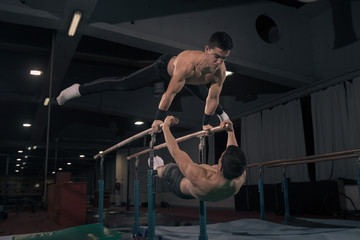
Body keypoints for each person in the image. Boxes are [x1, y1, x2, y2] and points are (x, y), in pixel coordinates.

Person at [56, 32, 233, 130]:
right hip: (164, 68)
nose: (219, 62)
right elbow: (170, 93)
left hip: (189, 80)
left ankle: (223, 115)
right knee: (123, 84)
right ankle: (79, 89)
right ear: (207, 49)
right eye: (216, 56)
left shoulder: (220, 71)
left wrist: (205, 124)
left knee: (206, 96)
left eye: (223, 58)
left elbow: (212, 98)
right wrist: (158, 119)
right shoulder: (187, 63)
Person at [152, 115, 247, 202]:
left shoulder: (202, 179)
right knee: (203, 167)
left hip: (181, 185)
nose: (221, 156)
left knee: (170, 168)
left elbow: (176, 153)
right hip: (206, 189)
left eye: (221, 156)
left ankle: (156, 169)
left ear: (221, 167)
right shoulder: (239, 174)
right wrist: (231, 131)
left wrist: (165, 128)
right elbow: (234, 152)